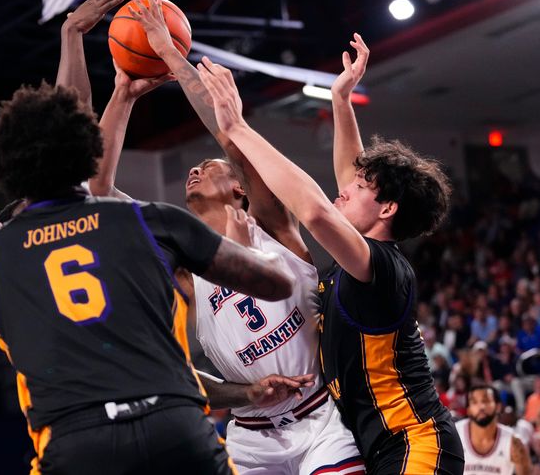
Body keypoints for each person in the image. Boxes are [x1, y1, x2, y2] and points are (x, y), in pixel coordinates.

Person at [0, 62, 295, 475]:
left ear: (5, 166)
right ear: (87, 152)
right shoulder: (146, 219)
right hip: (174, 426)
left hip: (75, 442)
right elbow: (278, 283)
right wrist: (260, 246)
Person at [93, 0, 363, 475]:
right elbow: (98, 187)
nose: (195, 171)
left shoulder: (274, 225)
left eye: (208, 166)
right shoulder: (180, 248)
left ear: (239, 189)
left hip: (319, 418)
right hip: (248, 432)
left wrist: (174, 60)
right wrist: (121, 95)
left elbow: (230, 135)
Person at [195, 36, 464, 473]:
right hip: (376, 444)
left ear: (387, 209)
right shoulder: (364, 252)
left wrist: (239, 127)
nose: (346, 189)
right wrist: (341, 99)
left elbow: (317, 211)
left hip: (416, 439)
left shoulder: (382, 267)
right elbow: (349, 173)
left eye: (359, 189)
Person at [456, 384, 532, 475]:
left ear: (498, 407)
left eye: (486, 401)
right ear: (468, 410)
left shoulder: (513, 442)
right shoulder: (454, 435)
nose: (481, 407)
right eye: (475, 402)